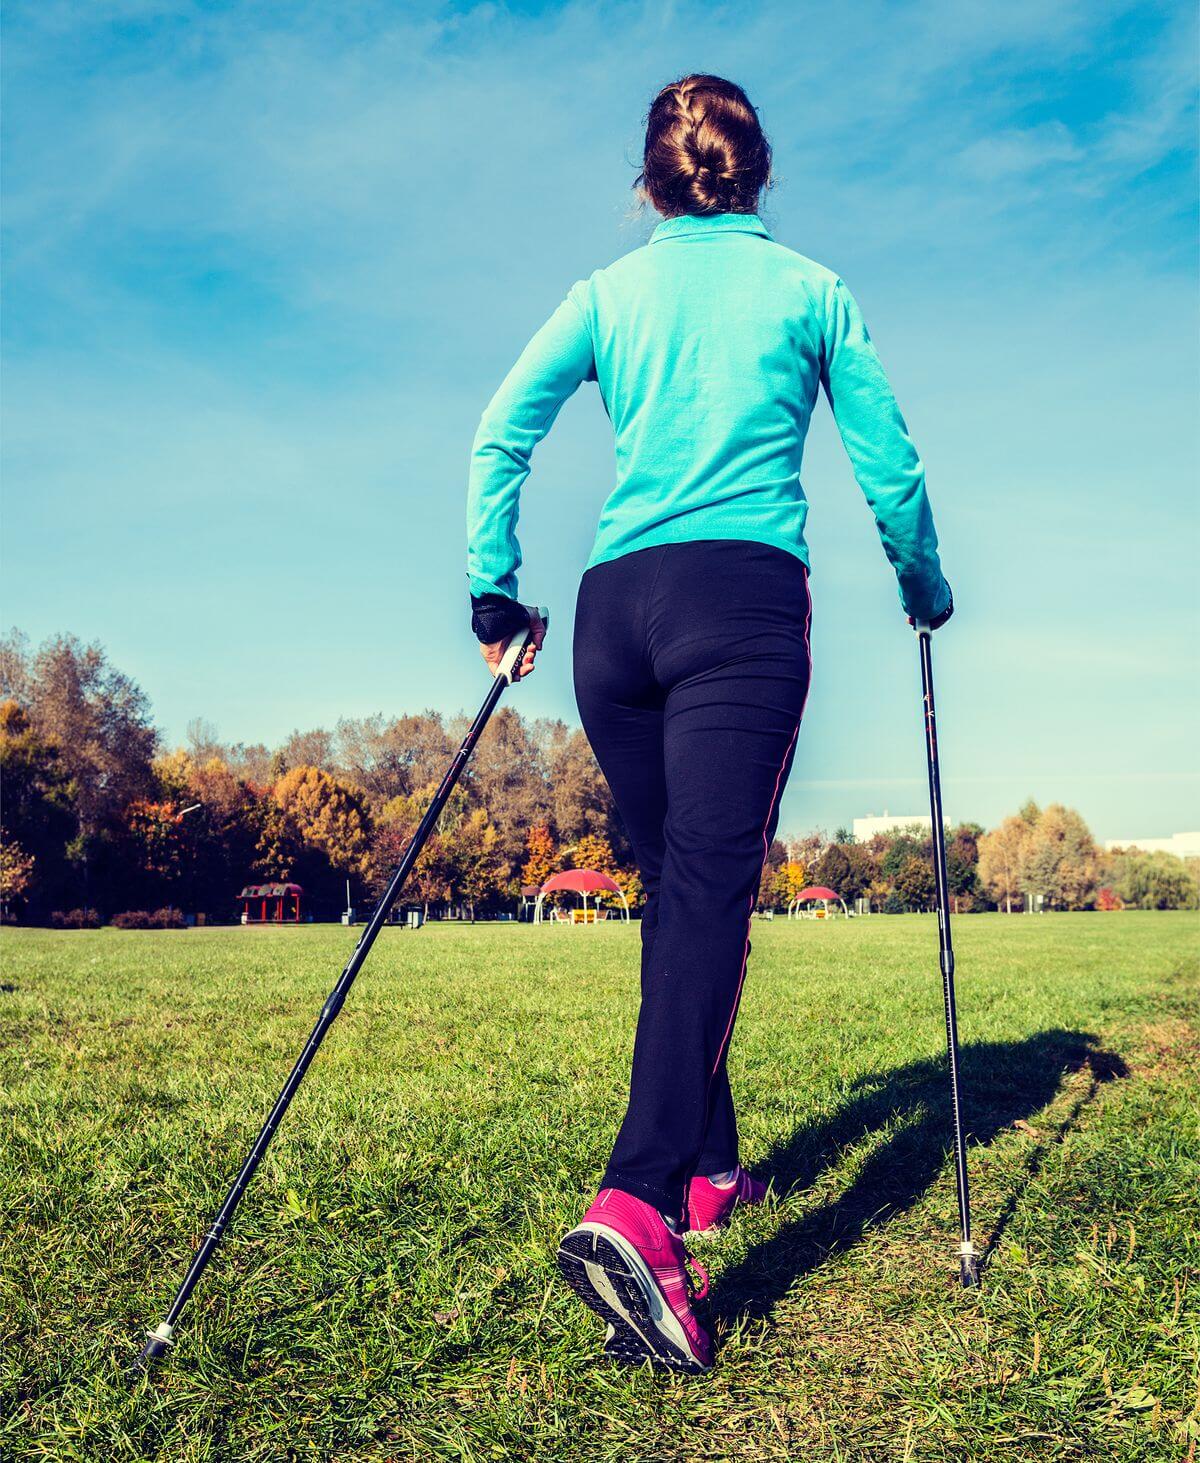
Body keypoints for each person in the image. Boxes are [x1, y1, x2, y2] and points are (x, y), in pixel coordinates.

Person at [466, 74, 953, 1373]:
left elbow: (501, 433)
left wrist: (492, 589)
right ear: (760, 172)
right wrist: (923, 585)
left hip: (613, 617)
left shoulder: (605, 296)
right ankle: (639, 1201)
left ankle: (710, 1166)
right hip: (737, 604)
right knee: (706, 896)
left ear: (650, 183)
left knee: (678, 888)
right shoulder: (811, 291)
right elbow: (890, 463)